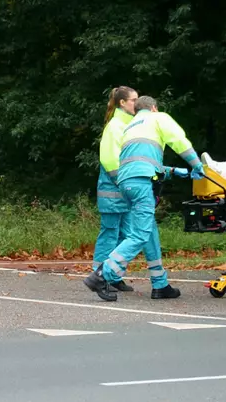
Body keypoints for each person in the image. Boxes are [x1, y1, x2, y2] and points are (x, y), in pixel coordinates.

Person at [84, 96, 204, 301]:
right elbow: (179, 141)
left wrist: (174, 171)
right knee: (139, 234)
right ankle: (103, 274)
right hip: (141, 184)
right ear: (154, 108)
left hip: (126, 183)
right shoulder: (159, 118)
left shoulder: (130, 127)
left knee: (149, 232)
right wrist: (196, 165)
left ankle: (160, 284)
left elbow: (138, 161)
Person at [91, 86, 138, 292]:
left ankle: (113, 274)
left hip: (124, 191)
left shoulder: (127, 124)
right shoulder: (116, 126)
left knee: (126, 236)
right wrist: (126, 183)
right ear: (122, 103)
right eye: (133, 100)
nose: (137, 103)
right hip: (115, 191)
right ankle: (99, 276)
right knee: (110, 234)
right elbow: (110, 159)